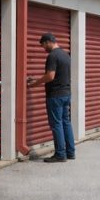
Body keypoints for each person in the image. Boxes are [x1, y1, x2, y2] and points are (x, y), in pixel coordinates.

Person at [28, 32, 76, 162]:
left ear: (49, 42)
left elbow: (50, 76)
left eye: (43, 45)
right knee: (66, 123)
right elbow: (58, 75)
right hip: (66, 94)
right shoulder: (65, 55)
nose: (44, 48)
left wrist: (35, 84)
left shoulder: (52, 56)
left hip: (55, 96)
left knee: (56, 124)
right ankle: (70, 152)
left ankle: (60, 154)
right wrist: (37, 78)